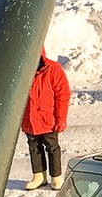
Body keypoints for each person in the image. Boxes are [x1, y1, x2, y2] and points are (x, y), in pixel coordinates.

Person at [22, 53, 71, 190]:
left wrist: (61, 118)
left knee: (52, 147)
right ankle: (39, 176)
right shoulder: (22, 70)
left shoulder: (53, 69)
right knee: (34, 147)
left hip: (48, 119)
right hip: (29, 119)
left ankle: (56, 177)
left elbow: (63, 94)